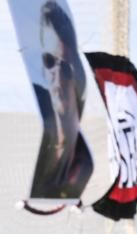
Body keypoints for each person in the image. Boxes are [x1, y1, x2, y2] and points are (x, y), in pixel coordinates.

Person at [30, 0, 92, 200]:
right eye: (49, 61)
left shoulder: (84, 165)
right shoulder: (43, 155)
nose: (56, 76)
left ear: (79, 74)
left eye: (64, 67)